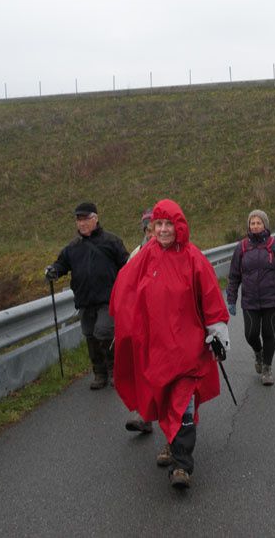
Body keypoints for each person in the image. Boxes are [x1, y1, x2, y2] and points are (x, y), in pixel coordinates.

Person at [110, 198, 230, 489]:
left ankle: (182, 466)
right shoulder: (144, 256)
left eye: (169, 224)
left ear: (179, 226)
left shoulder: (193, 258)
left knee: (183, 404)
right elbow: (125, 292)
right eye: (159, 224)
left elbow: (211, 296)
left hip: (188, 349)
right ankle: (170, 444)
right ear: (153, 227)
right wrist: (124, 331)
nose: (164, 230)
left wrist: (217, 332)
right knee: (162, 400)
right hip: (156, 349)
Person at [45, 201, 128, 390]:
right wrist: (53, 271)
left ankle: (115, 370)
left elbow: (126, 264)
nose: (81, 223)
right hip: (85, 300)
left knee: (104, 331)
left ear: (95, 219)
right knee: (90, 335)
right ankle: (99, 373)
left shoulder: (111, 241)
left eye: (85, 219)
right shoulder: (72, 248)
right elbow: (61, 265)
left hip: (109, 299)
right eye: (78, 220)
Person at [226, 209, 275, 386]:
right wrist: (231, 299)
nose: (255, 226)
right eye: (252, 223)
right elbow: (234, 276)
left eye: (258, 223)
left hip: (272, 299)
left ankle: (267, 368)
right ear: (249, 225)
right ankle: (258, 353)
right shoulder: (242, 247)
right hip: (250, 299)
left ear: (264, 224)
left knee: (268, 332)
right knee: (250, 334)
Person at [124, 208, 154, 435]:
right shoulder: (136, 253)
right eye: (149, 228)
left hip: (172, 324)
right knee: (144, 369)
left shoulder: (179, 250)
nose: (153, 231)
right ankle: (144, 414)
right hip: (145, 324)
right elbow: (128, 288)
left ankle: (176, 429)